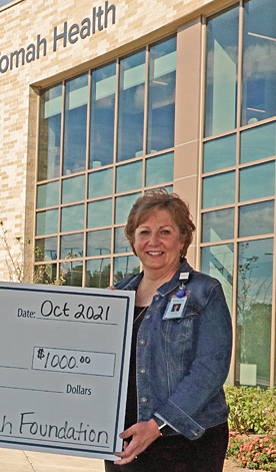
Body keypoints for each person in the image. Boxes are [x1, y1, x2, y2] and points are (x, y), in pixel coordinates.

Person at [106, 189, 232, 472]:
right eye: (144, 232)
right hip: (123, 438)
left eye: (165, 231)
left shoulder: (205, 292)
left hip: (185, 441)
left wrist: (157, 424)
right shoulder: (117, 295)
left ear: (182, 239)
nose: (153, 241)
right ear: (133, 239)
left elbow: (210, 369)